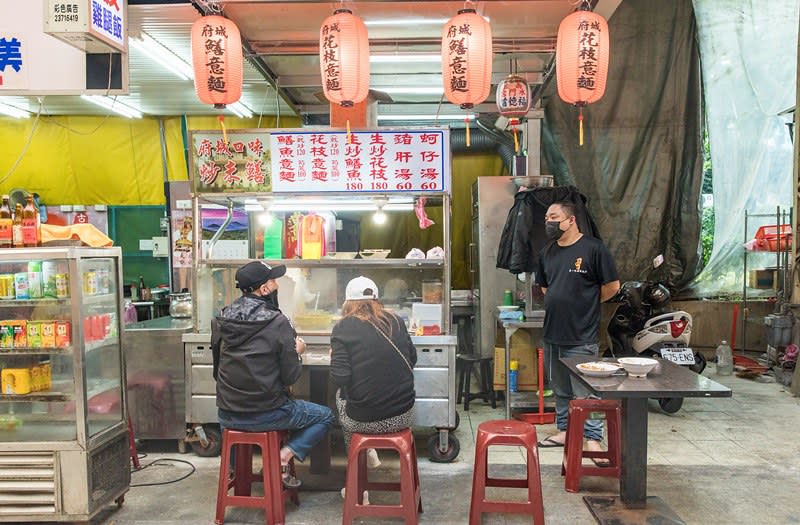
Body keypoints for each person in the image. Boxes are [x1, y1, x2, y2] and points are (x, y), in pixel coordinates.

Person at [211, 261, 334, 487]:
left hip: (226, 414)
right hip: (266, 413)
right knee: (325, 415)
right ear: (264, 289)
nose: (277, 285)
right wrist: (297, 352)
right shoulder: (277, 322)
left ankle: (234, 471)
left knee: (237, 414)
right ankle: (282, 457)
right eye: (273, 281)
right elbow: (290, 377)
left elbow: (217, 370)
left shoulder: (222, 317)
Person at [535, 201, 620, 461]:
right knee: (560, 388)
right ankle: (565, 429)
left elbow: (613, 286)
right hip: (553, 333)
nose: (549, 222)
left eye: (554, 217)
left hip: (582, 334)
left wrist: (586, 304)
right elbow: (545, 287)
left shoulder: (594, 249)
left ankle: (593, 438)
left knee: (587, 391)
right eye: (547, 217)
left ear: (571, 220)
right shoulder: (547, 252)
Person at [330, 276, 417, 462]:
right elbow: (413, 359)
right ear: (377, 300)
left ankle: (356, 474)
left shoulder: (342, 328)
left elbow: (340, 378)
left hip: (364, 421)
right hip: (404, 415)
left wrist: (335, 356)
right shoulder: (396, 321)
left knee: (341, 397)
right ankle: (366, 454)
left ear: (347, 302)